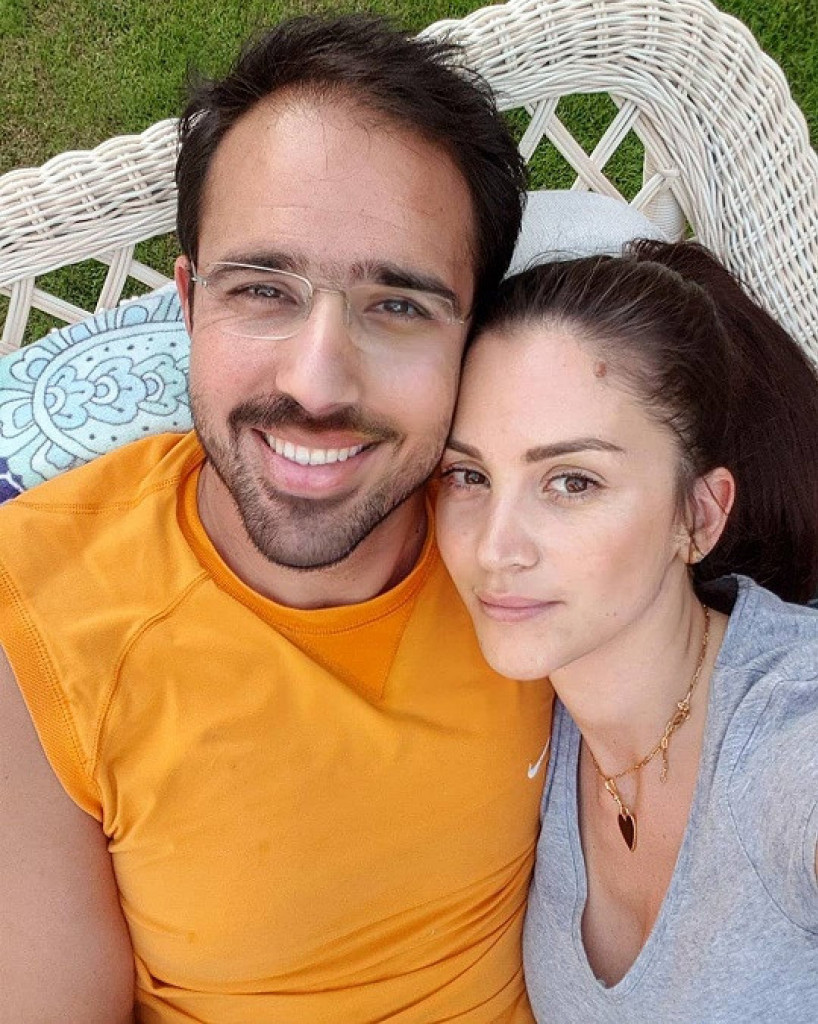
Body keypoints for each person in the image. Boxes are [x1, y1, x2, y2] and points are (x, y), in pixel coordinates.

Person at [0, 15, 553, 1023]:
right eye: (263, 290)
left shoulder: (539, 539)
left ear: (474, 338)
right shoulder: (37, 610)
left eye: (398, 306)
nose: (316, 383)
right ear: (188, 304)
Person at [436, 240, 818, 1022]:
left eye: (572, 481)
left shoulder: (787, 738)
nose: (495, 549)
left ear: (697, 517)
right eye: (469, 475)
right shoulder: (533, 730)